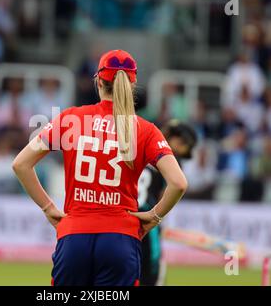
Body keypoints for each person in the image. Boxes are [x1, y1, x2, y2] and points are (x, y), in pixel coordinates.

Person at [12, 50, 187, 286]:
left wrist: (47, 207)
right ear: (131, 86)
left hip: (74, 236)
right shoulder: (146, 130)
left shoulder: (70, 119)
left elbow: (21, 163)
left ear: (98, 81)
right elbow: (178, 183)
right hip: (121, 240)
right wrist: (154, 217)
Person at [138, 119, 197, 286]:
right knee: (150, 273)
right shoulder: (171, 159)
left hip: (123, 214)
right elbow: (169, 193)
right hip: (147, 219)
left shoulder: (142, 145)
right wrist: (158, 218)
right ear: (179, 140)